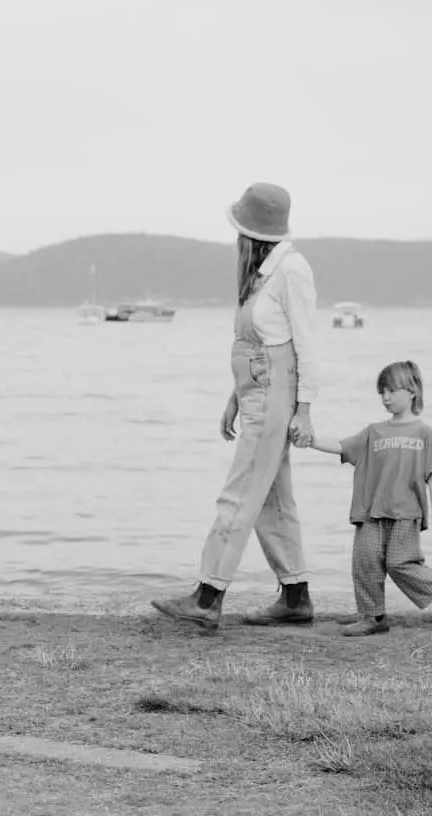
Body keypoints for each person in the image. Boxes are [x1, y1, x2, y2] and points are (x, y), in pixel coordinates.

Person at [151, 182, 321, 632]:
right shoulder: (262, 274)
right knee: (270, 498)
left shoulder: (291, 270)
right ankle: (296, 596)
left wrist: (304, 410)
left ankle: (208, 596)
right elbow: (254, 345)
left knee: (240, 493)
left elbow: (307, 345)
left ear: (250, 232)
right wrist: (234, 397)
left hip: (274, 399)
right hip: (256, 397)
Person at [297, 360, 432, 636]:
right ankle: (373, 617)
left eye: (391, 390)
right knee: (365, 562)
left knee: (400, 563)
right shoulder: (374, 432)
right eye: (382, 392)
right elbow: (342, 446)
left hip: (406, 512)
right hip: (370, 512)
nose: (385, 397)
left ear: (412, 391)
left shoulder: (424, 432)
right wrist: (309, 439)